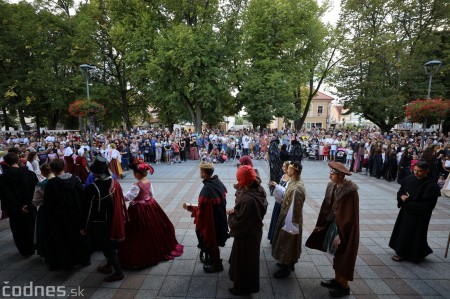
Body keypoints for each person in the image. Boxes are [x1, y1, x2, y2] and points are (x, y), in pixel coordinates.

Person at [305, 162, 359, 298]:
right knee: (335, 254)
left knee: (343, 255)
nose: (330, 175)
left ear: (340, 175)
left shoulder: (350, 192)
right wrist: (324, 224)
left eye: (333, 173)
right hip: (334, 224)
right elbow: (328, 208)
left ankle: (344, 286)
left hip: (344, 228)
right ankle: (337, 280)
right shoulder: (332, 186)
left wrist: (342, 235)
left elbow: (350, 217)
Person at [119, 161, 183, 268]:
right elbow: (152, 194)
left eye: (134, 172)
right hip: (149, 205)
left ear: (137, 174)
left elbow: (128, 197)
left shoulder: (136, 185)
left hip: (139, 208)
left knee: (137, 229)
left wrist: (119, 195)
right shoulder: (148, 182)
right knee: (153, 225)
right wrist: (146, 199)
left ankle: (142, 251)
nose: (134, 174)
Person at [81, 156, 129, 282]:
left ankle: (118, 272)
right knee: (109, 245)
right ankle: (109, 265)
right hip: (113, 219)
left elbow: (87, 210)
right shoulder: (115, 183)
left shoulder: (93, 188)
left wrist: (84, 226)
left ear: (96, 173)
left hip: (100, 223)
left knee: (107, 247)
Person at [227, 165, 268, 296]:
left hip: (246, 235)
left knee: (243, 262)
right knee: (250, 261)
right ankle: (247, 286)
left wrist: (232, 214)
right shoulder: (259, 189)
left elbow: (239, 224)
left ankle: (241, 288)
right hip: (254, 232)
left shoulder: (248, 200)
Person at [42, 159, 89, 270]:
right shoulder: (75, 179)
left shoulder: (52, 184)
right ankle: (82, 258)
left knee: (64, 240)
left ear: (52, 170)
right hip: (77, 215)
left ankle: (68, 262)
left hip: (60, 218)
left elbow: (48, 205)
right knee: (79, 237)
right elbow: (83, 198)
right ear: (64, 167)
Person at [388, 161, 441, 263]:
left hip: (420, 216)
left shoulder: (431, 186)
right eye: (415, 170)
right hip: (406, 212)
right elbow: (401, 192)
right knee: (403, 231)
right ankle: (401, 251)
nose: (416, 173)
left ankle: (411, 253)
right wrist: (401, 197)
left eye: (419, 171)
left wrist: (409, 202)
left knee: (416, 234)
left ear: (426, 171)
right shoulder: (409, 179)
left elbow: (428, 205)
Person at [183, 161, 228, 273]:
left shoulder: (206, 190)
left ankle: (217, 264)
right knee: (215, 240)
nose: (200, 172)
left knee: (210, 239)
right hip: (220, 219)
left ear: (204, 173)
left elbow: (203, 213)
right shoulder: (217, 182)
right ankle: (212, 259)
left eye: (201, 171)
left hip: (212, 222)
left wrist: (192, 209)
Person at [271, 161, 305, 278]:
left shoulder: (297, 188)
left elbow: (295, 208)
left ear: (294, 171)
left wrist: (290, 224)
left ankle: (287, 266)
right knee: (287, 242)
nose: (287, 171)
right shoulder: (293, 182)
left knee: (288, 242)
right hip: (286, 215)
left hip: (291, 219)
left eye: (289, 169)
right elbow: (286, 194)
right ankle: (289, 262)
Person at [0, 152, 38, 256]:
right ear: (18, 160)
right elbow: (35, 191)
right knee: (31, 227)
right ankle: (33, 247)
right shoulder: (30, 174)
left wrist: (17, 207)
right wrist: (28, 205)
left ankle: (24, 250)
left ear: (6, 163)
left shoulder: (3, 178)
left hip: (14, 210)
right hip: (29, 207)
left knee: (18, 230)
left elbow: (5, 196)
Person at [268, 160, 290, 243]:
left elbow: (287, 192)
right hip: (278, 202)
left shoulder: (291, 179)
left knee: (281, 221)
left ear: (289, 168)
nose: (282, 168)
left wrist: (276, 186)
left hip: (283, 203)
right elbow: (281, 187)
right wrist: (276, 185)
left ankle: (279, 239)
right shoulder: (283, 175)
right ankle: (274, 237)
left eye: (284, 166)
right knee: (275, 219)